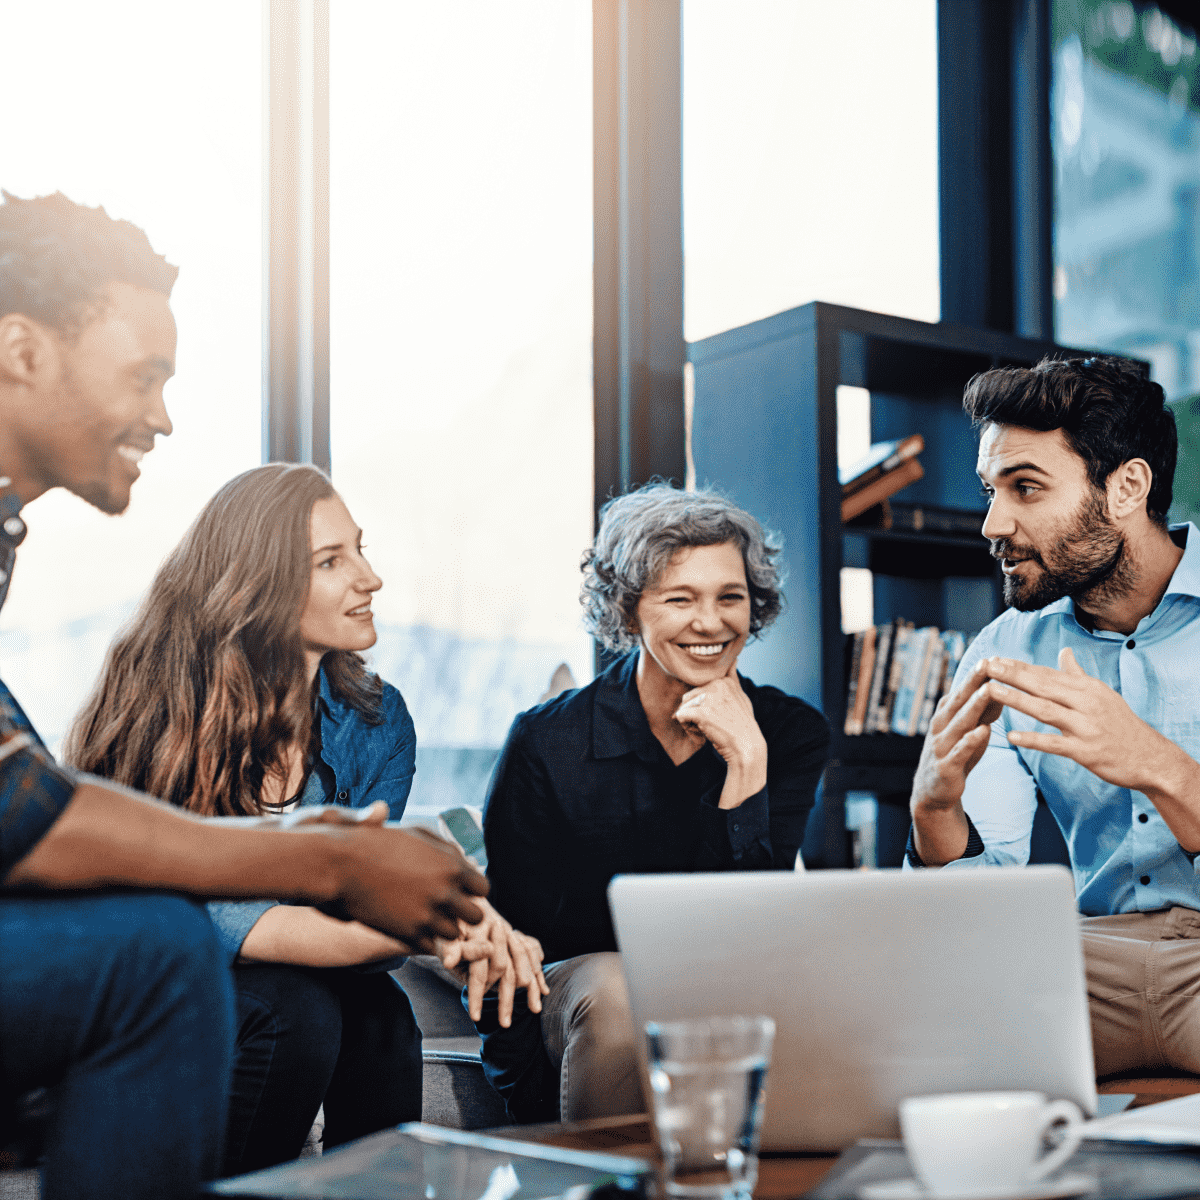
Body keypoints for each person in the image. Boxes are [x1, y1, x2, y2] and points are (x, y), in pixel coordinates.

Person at [0, 191, 495, 1200]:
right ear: (23, 350)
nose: (163, 414)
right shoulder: (164, 690)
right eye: (143, 375)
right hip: (226, 960)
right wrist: (329, 856)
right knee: (158, 953)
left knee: (349, 1010)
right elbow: (27, 818)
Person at [63, 462, 547, 1174]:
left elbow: (369, 922)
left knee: (381, 1015)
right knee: (294, 1008)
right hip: (164, 974)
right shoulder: (160, 712)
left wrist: (447, 914)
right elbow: (240, 924)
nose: (369, 578)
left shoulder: (375, 722)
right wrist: (445, 922)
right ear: (256, 585)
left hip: (304, 975)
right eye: (331, 560)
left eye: (361, 548)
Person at [477, 483, 831, 1122]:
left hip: (727, 990)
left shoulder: (789, 732)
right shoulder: (546, 739)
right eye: (680, 599)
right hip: (577, 999)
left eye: (730, 597)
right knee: (616, 988)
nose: (710, 622)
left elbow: (754, 931)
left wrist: (747, 766)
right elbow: (512, 939)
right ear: (627, 608)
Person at [907, 353, 1200, 1078]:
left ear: (1127, 486)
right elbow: (981, 907)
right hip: (1082, 961)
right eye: (990, 491)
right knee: (895, 1019)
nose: (992, 524)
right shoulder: (1007, 648)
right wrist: (933, 812)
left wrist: (1157, 765)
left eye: (1026, 489)